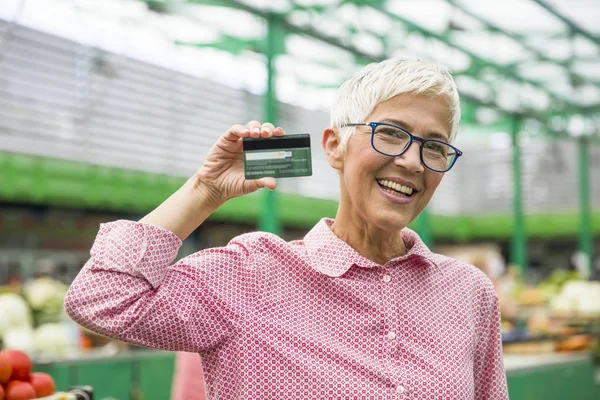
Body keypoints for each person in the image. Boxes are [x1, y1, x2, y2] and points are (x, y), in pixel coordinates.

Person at [64, 58, 508, 399]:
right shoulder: (251, 275)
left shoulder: (468, 293)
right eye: (390, 133)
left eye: (434, 146)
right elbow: (102, 298)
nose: (412, 161)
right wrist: (204, 191)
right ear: (334, 147)